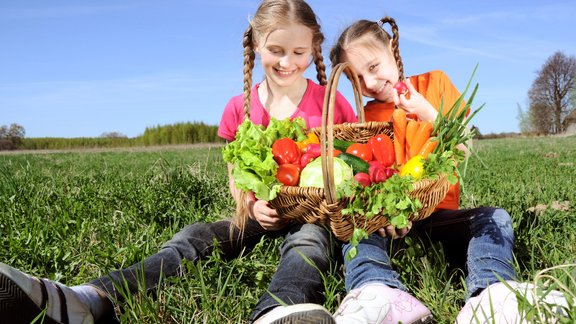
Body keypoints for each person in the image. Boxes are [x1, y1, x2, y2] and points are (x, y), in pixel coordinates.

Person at [0, 1, 356, 323]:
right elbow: (236, 177)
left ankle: (278, 309)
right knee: (195, 238)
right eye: (276, 50)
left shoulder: (331, 103)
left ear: (314, 49)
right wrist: (250, 203)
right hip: (261, 214)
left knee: (308, 242)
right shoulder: (238, 107)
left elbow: (352, 164)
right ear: (257, 46)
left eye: (298, 52)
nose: (286, 62)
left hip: (314, 213)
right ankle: (89, 297)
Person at [328, 16, 571, 323]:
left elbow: (465, 145)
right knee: (354, 229)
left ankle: (491, 292)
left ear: (392, 47)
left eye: (374, 67)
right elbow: (362, 176)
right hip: (389, 223)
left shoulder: (434, 84)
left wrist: (428, 112)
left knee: (494, 218)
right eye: (359, 79)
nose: (371, 83)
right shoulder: (363, 117)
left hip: (438, 215)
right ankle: (376, 291)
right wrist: (383, 213)